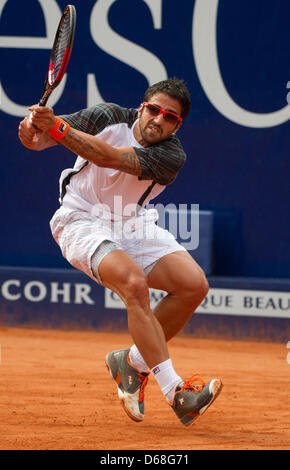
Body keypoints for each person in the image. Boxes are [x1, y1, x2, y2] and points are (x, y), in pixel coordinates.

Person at [18, 78, 222, 426]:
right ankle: (176, 393)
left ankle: (132, 363)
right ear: (141, 107)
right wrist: (32, 130)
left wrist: (56, 125)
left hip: (132, 224)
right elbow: (41, 140)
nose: (159, 119)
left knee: (193, 285)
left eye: (169, 117)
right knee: (134, 282)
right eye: (154, 110)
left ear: (178, 125)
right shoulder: (108, 115)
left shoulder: (171, 155)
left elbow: (110, 157)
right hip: (79, 219)